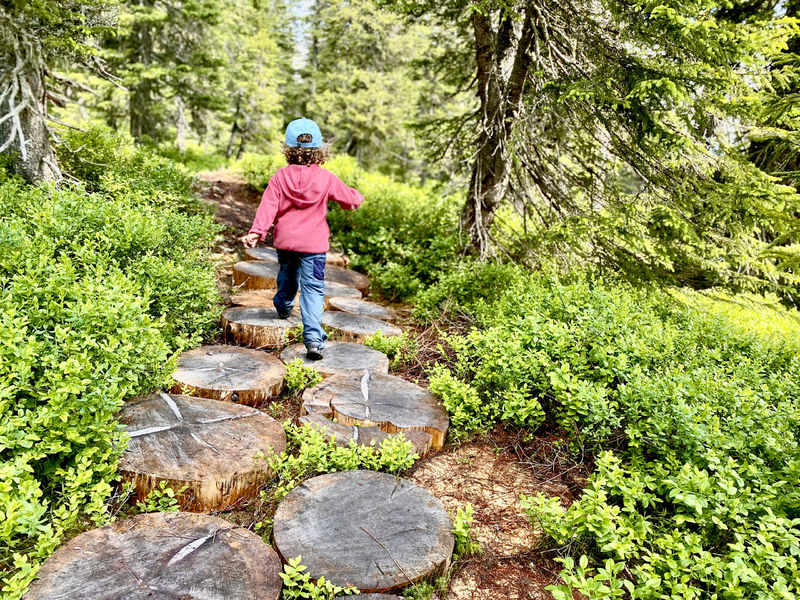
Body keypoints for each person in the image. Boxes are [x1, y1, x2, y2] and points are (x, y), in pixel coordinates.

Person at [240, 118, 364, 359]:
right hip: (314, 246)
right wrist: (357, 196)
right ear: (319, 150)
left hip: (286, 242)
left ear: (289, 150)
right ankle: (314, 339)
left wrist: (257, 231)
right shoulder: (326, 178)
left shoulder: (280, 177)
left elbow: (268, 206)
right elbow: (349, 200)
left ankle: (283, 305)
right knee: (314, 288)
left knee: (287, 274)